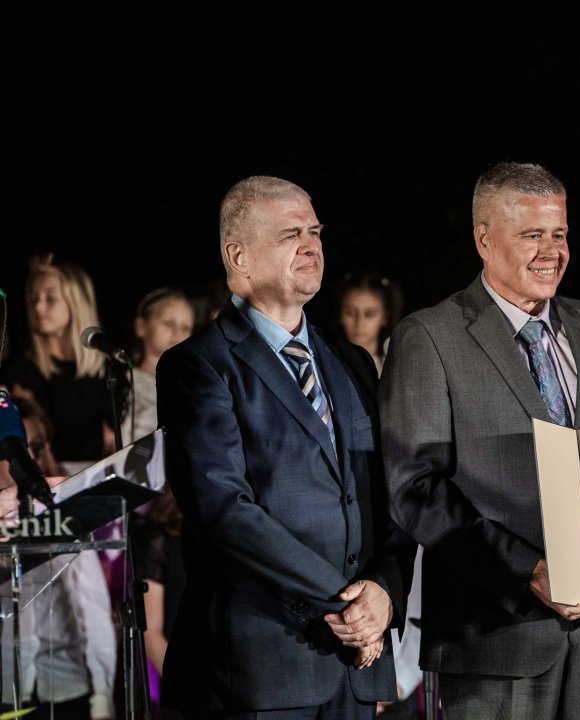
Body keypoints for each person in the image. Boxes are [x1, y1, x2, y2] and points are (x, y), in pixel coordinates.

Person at [379, 162, 580, 720]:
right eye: (533, 235)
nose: (552, 251)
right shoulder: (429, 337)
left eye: (560, 234)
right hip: (492, 642)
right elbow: (415, 488)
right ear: (484, 239)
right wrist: (526, 570)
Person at [156, 176, 414, 720]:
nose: (311, 245)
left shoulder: (352, 362)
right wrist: (345, 605)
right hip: (258, 669)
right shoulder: (198, 366)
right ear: (239, 256)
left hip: (355, 666)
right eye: (291, 234)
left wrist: (385, 593)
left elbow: (392, 493)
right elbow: (225, 512)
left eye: (315, 232)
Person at [0, 396, 116, 720]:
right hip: (5, 685)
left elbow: (91, 605)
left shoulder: (62, 510)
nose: (30, 457)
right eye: (17, 449)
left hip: (66, 684)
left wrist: (102, 696)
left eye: (36, 446)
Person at [3, 255, 116, 464]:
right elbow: (35, 441)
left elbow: (112, 439)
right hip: (53, 474)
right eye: (33, 300)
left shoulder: (109, 366)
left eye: (50, 298)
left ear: (77, 302)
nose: (38, 307)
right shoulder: (22, 370)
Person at [123, 288, 195, 444]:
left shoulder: (196, 384)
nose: (177, 333)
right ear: (141, 326)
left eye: (185, 328)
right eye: (168, 323)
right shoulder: (124, 383)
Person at [131, 482, 185, 678]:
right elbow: (151, 632)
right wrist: (182, 684)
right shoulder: (160, 537)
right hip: (189, 676)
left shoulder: (234, 535)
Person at [336, 274, 403, 377]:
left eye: (370, 314)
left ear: (385, 317)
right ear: (340, 314)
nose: (359, 322)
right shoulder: (324, 362)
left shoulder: (396, 369)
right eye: (350, 313)